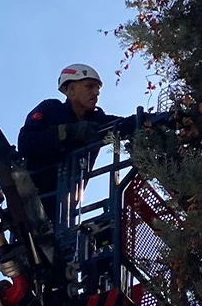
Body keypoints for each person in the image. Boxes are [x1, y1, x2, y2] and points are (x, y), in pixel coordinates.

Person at [17, 63, 123, 224]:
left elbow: (124, 125)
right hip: (34, 201)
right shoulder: (50, 109)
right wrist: (69, 132)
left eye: (97, 89)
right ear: (71, 90)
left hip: (64, 210)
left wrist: (157, 121)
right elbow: (26, 143)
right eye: (89, 87)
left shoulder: (97, 120)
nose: (96, 93)